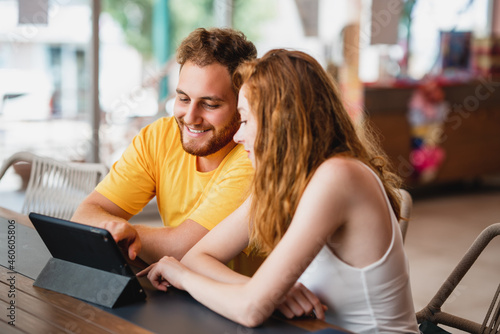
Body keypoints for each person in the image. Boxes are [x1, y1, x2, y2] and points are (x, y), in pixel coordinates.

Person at [138, 49, 420, 333]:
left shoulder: (338, 176)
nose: (238, 135)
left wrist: (181, 276)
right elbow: (198, 258)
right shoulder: (286, 180)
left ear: (279, 122)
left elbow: (250, 309)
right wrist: (265, 291)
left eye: (245, 120)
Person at [71, 28, 257, 264]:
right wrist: (120, 232)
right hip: (178, 289)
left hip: (235, 297)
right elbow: (84, 215)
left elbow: (185, 249)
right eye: (183, 99)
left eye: (209, 104)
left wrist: (124, 235)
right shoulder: (160, 136)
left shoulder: (253, 153)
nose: (190, 117)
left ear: (242, 104)